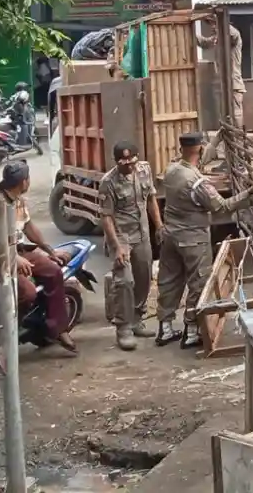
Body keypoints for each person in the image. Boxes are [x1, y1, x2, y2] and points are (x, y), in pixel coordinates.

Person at [157, 133, 253, 349]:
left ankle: (164, 328)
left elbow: (198, 160)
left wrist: (215, 141)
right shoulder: (197, 182)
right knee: (198, 282)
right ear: (199, 149)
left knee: (170, 280)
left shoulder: (172, 169)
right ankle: (192, 330)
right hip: (193, 239)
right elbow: (220, 206)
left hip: (171, 235)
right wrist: (246, 197)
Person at [0, 161, 77, 355]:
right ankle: (4, 330)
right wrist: (14, 257)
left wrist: (50, 251)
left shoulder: (18, 200)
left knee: (53, 271)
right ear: (23, 182)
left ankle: (58, 329)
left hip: (19, 250)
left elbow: (29, 227)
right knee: (27, 292)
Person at [98, 141, 161, 351]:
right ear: (116, 162)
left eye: (131, 160)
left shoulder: (144, 170)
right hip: (121, 236)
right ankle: (123, 328)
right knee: (124, 281)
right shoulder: (108, 182)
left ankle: (137, 319)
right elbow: (106, 218)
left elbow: (151, 199)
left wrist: (159, 226)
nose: (128, 165)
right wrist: (116, 247)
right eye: (123, 162)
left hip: (142, 233)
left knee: (144, 277)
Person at [195, 16, 245, 128]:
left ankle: (238, 139)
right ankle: (227, 138)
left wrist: (221, 25)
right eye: (211, 24)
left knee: (235, 114)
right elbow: (204, 43)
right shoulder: (217, 39)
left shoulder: (233, 37)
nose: (212, 27)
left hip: (233, 82)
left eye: (214, 24)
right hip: (220, 83)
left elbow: (233, 34)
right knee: (223, 116)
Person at [12, 82, 35, 147]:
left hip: (17, 113)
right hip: (25, 112)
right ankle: (27, 139)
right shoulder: (24, 94)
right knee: (29, 123)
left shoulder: (14, 95)